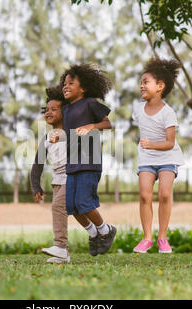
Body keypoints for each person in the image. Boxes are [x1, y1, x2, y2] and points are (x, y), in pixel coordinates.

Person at [57, 63, 116, 256]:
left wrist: (91, 126)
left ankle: (106, 231)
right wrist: (59, 135)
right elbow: (69, 132)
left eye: (71, 83)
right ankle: (93, 234)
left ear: (82, 88)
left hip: (89, 162)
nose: (66, 86)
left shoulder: (90, 103)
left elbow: (108, 124)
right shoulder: (66, 110)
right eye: (64, 83)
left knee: (84, 202)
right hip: (72, 162)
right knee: (72, 206)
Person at [132, 57, 184, 254]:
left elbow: (170, 143)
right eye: (141, 82)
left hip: (168, 157)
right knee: (145, 196)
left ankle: (162, 238)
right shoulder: (137, 109)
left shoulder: (168, 113)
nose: (141, 86)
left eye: (146, 82)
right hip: (146, 158)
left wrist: (152, 144)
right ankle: (147, 239)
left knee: (164, 194)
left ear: (160, 86)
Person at [30, 85, 70, 264]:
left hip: (72, 178)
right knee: (66, 210)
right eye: (47, 110)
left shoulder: (72, 131)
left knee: (58, 208)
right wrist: (36, 186)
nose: (49, 112)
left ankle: (60, 246)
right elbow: (37, 164)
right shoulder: (46, 138)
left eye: (54, 109)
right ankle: (63, 254)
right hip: (57, 181)